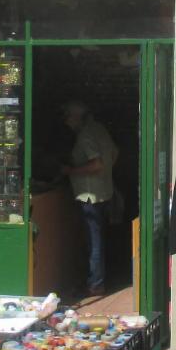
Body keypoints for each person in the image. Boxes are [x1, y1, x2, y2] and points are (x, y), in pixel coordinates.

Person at [61, 100, 118, 298]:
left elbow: (97, 165)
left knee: (94, 241)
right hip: (104, 192)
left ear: (76, 117)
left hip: (89, 196)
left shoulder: (85, 135)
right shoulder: (100, 129)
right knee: (98, 239)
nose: (66, 120)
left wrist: (71, 171)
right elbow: (114, 154)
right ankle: (96, 280)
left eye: (68, 115)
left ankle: (95, 284)